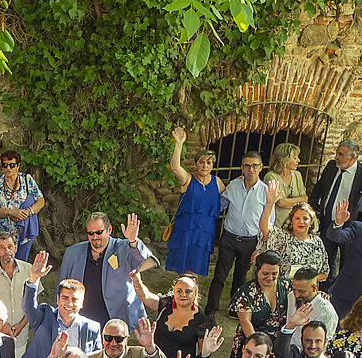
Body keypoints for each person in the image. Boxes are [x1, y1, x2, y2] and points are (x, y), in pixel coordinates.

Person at [56, 211, 154, 330]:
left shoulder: (124, 247)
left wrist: (133, 241)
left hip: (117, 323)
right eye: (91, 233)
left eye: (99, 232)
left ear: (109, 229)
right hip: (82, 322)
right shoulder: (73, 252)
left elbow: (144, 261)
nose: (95, 237)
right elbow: (60, 288)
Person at [212, 149, 277, 313]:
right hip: (229, 238)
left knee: (240, 278)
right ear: (242, 168)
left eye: (254, 166)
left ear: (261, 167)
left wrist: (260, 248)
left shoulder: (266, 192)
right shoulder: (234, 186)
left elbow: (269, 223)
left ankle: (235, 309)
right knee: (219, 275)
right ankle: (211, 310)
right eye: (247, 166)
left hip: (250, 242)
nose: (251, 169)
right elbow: (219, 206)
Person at [165, 127, 220, 279]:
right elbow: (175, 168)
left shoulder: (217, 182)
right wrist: (179, 143)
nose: (205, 165)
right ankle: (181, 291)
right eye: (201, 162)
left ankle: (193, 292)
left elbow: (229, 197)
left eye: (208, 162)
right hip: (186, 230)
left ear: (212, 165)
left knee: (196, 267)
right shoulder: (188, 180)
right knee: (183, 269)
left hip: (205, 231)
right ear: (196, 164)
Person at [0, 148, 44, 257]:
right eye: (5, 165)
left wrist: (28, 212)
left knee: (21, 264)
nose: (8, 168)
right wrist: (10, 212)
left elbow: (41, 200)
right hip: (2, 236)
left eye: (11, 165)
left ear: (18, 165)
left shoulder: (27, 180)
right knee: (2, 264)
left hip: (22, 235)